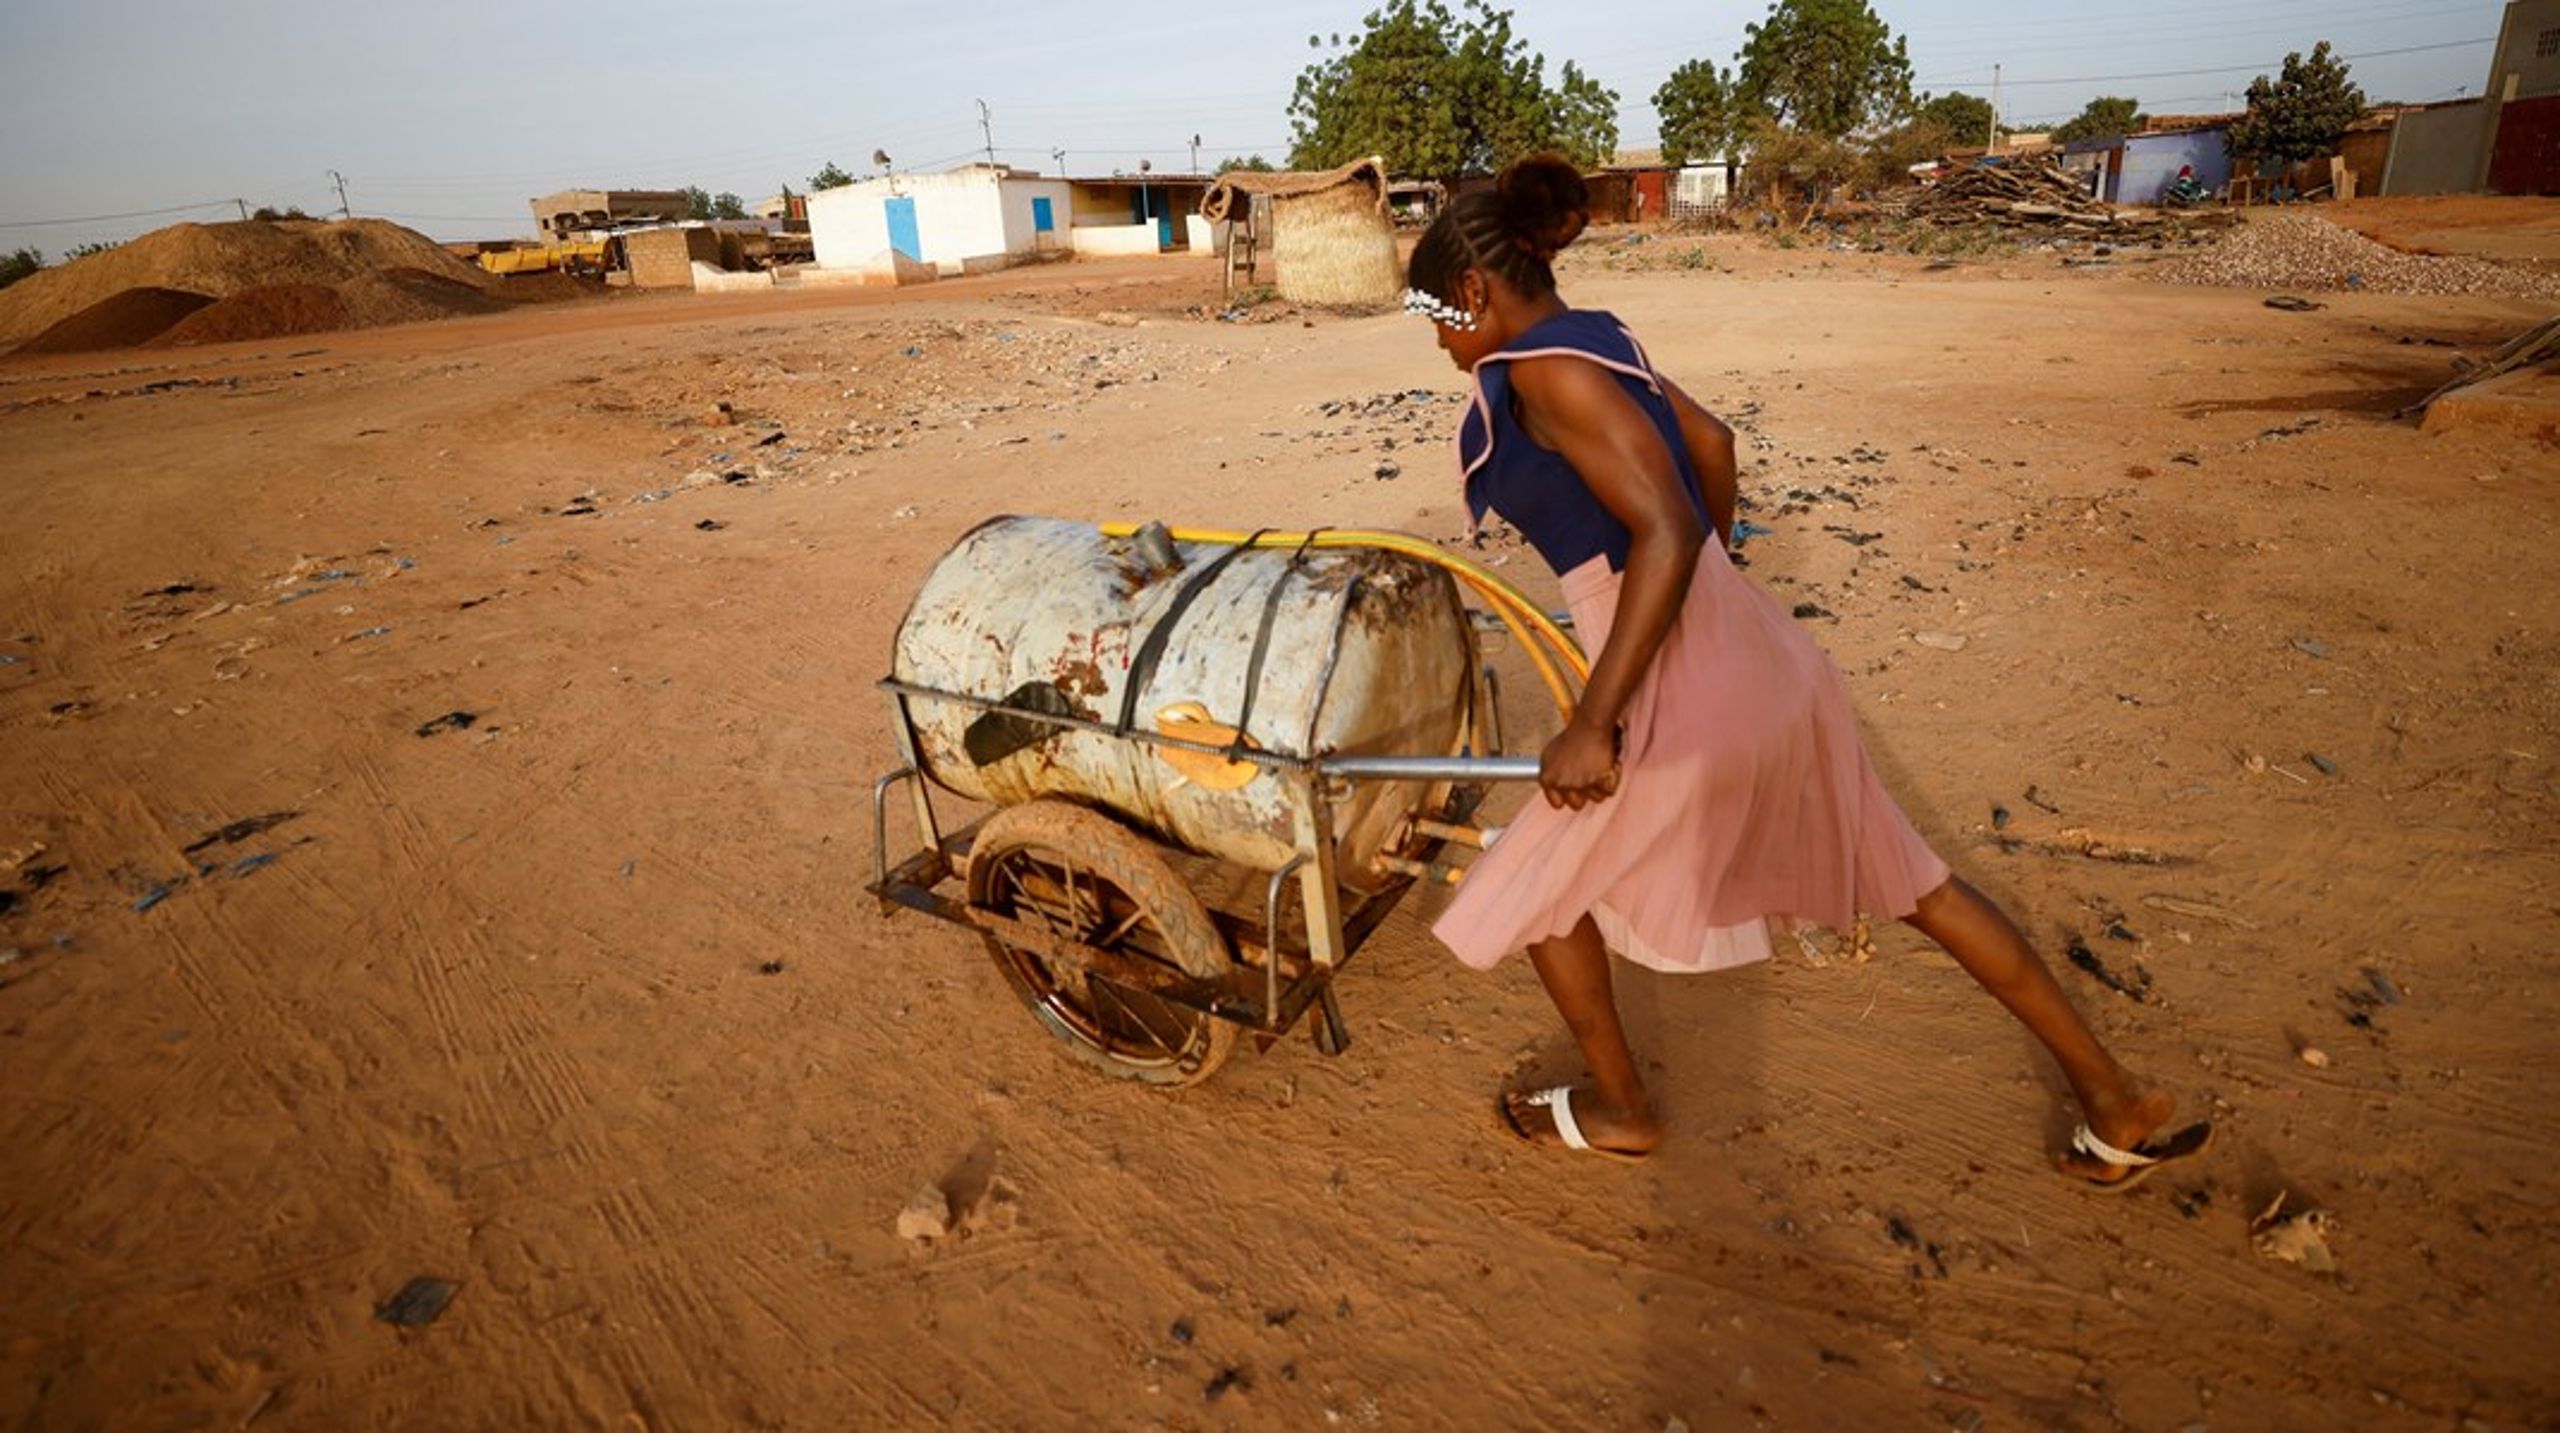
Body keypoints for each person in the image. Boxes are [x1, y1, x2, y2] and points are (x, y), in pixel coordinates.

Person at [1404, 155, 2210, 1189]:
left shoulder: (1542, 371)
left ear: (1473, 288)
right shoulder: (1597, 338)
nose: (1436, 340)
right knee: (1918, 882)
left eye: (1432, 313)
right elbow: (1711, 443)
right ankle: (2114, 1101)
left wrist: (1595, 718)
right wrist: (1717, 579)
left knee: (1536, 890)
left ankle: (1621, 1106)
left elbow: (1655, 528)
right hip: (1750, 647)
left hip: (1673, 667)